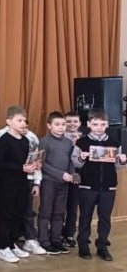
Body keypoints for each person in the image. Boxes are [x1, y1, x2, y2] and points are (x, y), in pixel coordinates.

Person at [72, 109, 127, 261]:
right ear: (89, 124)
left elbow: (117, 166)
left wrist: (122, 160)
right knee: (85, 217)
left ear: (107, 124)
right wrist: (81, 158)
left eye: (103, 124)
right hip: (87, 186)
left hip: (108, 187)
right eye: (95, 124)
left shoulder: (114, 142)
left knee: (105, 218)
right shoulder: (82, 142)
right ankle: (83, 246)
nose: (99, 127)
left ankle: (102, 246)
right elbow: (75, 163)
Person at [0, 106, 34, 263]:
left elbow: (24, 161)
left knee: (18, 213)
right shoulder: (4, 140)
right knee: (6, 214)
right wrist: (20, 167)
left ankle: (11, 243)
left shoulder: (25, 140)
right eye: (19, 120)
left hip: (22, 183)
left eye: (24, 120)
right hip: (7, 184)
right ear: (9, 121)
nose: (23, 123)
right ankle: (1, 247)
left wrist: (31, 165)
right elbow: (0, 163)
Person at [37, 112, 74, 255]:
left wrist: (71, 174)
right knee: (46, 211)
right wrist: (60, 174)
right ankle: (44, 240)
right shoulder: (44, 141)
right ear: (49, 125)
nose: (61, 127)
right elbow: (42, 163)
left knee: (59, 212)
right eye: (57, 124)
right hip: (49, 182)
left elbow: (70, 161)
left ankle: (56, 239)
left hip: (64, 183)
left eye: (63, 124)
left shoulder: (68, 142)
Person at [61, 110, 83, 247]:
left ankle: (69, 234)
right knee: (58, 206)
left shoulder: (84, 139)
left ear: (80, 123)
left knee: (72, 206)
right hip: (60, 174)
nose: (72, 124)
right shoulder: (59, 136)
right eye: (68, 121)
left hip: (77, 175)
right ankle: (57, 233)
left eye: (75, 121)